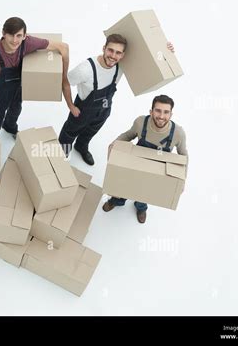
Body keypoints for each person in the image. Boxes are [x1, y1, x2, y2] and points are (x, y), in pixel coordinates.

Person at [58, 34, 175, 166]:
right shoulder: (85, 69)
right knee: (69, 133)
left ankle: (81, 146)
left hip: (104, 111)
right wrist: (71, 106)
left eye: (118, 52)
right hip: (82, 111)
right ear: (104, 48)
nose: (113, 56)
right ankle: (62, 155)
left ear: (123, 55)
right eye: (110, 50)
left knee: (90, 132)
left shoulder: (122, 66)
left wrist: (165, 51)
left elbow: (148, 64)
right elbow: (65, 82)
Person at [0, 16, 73, 138]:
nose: (14, 40)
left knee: (15, 110)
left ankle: (9, 127)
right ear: (3, 34)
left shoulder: (27, 42)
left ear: (24, 36)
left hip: (19, 88)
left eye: (18, 35)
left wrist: (64, 78)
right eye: (10, 35)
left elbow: (63, 47)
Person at [102, 94, 188, 223]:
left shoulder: (178, 133)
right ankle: (117, 200)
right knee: (124, 186)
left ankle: (141, 208)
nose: (161, 116)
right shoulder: (141, 122)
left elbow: (183, 156)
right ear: (151, 111)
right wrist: (114, 143)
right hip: (135, 163)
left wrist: (182, 181)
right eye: (158, 110)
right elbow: (128, 135)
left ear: (171, 114)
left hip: (156, 171)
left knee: (145, 192)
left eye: (166, 112)